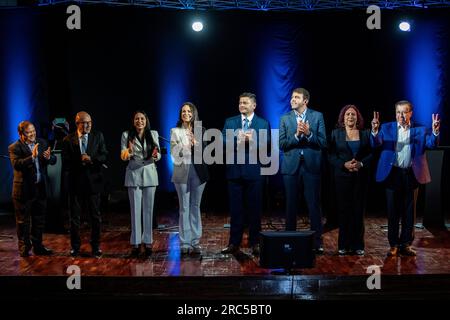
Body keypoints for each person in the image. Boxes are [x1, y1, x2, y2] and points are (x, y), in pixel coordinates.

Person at [371, 101, 440, 256]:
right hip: (393, 174)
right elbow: (376, 144)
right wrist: (374, 132)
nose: (401, 116)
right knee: (393, 211)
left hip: (412, 174)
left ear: (411, 113)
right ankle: (394, 245)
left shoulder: (420, 129)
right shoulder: (386, 127)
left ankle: (406, 244)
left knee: (410, 212)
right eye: (398, 112)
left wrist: (435, 133)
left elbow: (431, 144)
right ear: (395, 113)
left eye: (404, 112)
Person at [221, 92, 271, 256]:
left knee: (255, 209)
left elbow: (267, 146)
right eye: (240, 102)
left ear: (254, 105)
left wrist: (253, 141)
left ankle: (255, 242)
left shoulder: (262, 123)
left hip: (254, 172)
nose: (241, 105)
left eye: (245, 103)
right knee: (235, 210)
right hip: (234, 171)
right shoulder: (230, 122)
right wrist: (237, 140)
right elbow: (221, 142)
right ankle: (234, 243)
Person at [279, 88, 327, 253]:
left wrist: (308, 134)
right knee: (290, 204)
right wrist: (297, 136)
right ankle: (290, 240)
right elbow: (282, 145)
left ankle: (317, 242)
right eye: (292, 97)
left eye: (296, 97)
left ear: (305, 101)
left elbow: (323, 142)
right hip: (291, 167)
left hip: (311, 166)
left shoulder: (317, 116)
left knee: (313, 204)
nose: (292, 99)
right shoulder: (285, 118)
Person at [62, 111, 108, 258]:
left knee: (95, 216)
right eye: (84, 122)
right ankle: (75, 247)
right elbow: (66, 162)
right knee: (74, 218)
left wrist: (92, 159)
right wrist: (80, 160)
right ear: (77, 123)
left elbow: (104, 154)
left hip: (93, 183)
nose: (87, 125)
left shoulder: (98, 136)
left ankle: (96, 247)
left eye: (89, 122)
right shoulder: (68, 139)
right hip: (75, 183)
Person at [328, 105, 372, 256]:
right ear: (343, 117)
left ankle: (358, 245)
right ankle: (343, 245)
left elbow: (372, 154)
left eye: (353, 114)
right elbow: (331, 156)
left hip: (360, 177)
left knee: (358, 211)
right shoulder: (335, 134)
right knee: (344, 210)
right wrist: (343, 164)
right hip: (342, 177)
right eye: (347, 114)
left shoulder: (365, 134)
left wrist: (361, 164)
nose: (350, 117)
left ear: (357, 117)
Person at [8, 121, 57, 257]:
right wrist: (32, 157)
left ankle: (38, 246)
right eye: (29, 132)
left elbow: (52, 160)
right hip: (23, 191)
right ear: (21, 134)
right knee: (23, 221)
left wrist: (50, 157)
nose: (32, 134)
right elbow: (17, 165)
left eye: (33, 131)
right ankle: (24, 248)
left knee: (39, 220)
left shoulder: (42, 142)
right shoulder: (14, 147)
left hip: (40, 188)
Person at [121, 110, 161, 258]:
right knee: (135, 211)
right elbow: (123, 155)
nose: (139, 121)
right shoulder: (126, 135)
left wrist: (156, 155)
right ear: (133, 121)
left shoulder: (154, 134)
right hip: (133, 174)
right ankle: (136, 243)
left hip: (150, 173)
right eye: (137, 119)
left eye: (142, 118)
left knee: (148, 210)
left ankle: (148, 242)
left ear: (146, 120)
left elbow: (159, 154)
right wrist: (128, 153)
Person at [170, 102, 208, 255]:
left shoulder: (201, 130)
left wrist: (196, 144)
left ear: (193, 113)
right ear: (180, 114)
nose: (186, 113)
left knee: (195, 206)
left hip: (198, 172)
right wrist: (184, 147)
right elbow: (173, 152)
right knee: (184, 207)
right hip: (182, 171)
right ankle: (185, 242)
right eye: (183, 111)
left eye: (189, 111)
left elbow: (206, 153)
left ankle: (195, 241)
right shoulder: (175, 131)